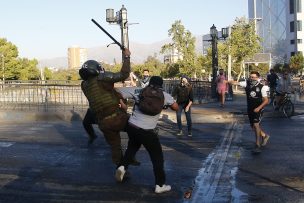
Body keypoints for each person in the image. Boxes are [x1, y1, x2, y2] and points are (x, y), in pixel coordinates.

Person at [115, 76, 179, 194]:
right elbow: (176, 107)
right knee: (157, 158)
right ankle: (160, 185)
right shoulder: (164, 95)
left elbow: (117, 92)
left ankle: (122, 167)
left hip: (132, 126)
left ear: (150, 83)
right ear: (161, 85)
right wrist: (166, 104)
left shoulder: (139, 90)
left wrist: (122, 104)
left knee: (132, 147)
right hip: (147, 131)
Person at [79, 48, 132, 166]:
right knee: (137, 129)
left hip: (103, 123)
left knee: (115, 146)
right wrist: (127, 57)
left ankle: (121, 168)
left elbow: (106, 90)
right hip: (117, 117)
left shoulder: (84, 85)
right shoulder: (102, 78)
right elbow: (124, 74)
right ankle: (131, 156)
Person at [232, 71, 270, 153]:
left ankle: (257, 145)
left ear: (258, 77)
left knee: (256, 125)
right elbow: (237, 83)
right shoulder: (247, 84)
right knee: (253, 127)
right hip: (250, 108)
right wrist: (227, 81)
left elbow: (266, 100)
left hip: (258, 109)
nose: (252, 79)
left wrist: (259, 108)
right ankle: (264, 135)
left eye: (254, 77)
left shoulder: (263, 87)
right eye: (251, 77)